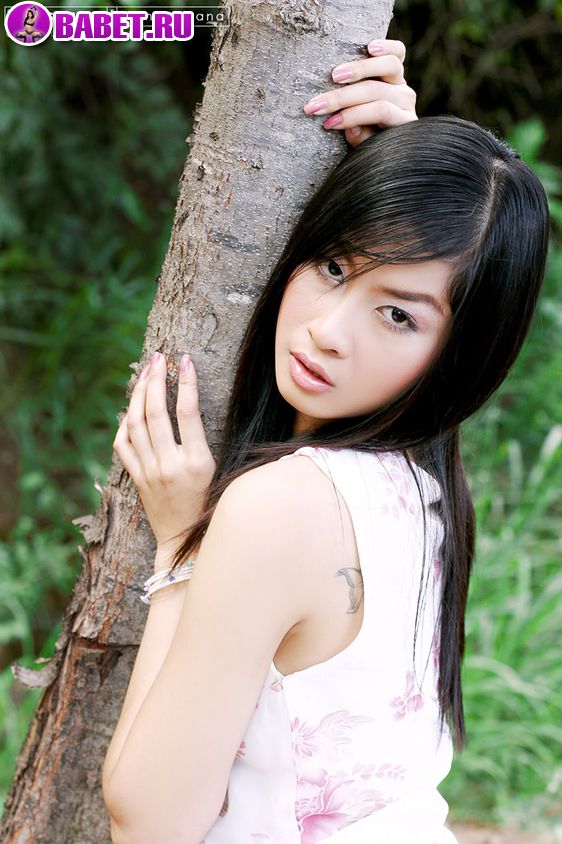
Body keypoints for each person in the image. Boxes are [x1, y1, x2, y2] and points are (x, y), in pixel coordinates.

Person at [101, 38, 549, 844]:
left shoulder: (280, 507)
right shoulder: (423, 490)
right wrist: (408, 176)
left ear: (462, 354)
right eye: (335, 267)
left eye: (398, 315)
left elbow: (151, 824)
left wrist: (179, 547)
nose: (327, 332)